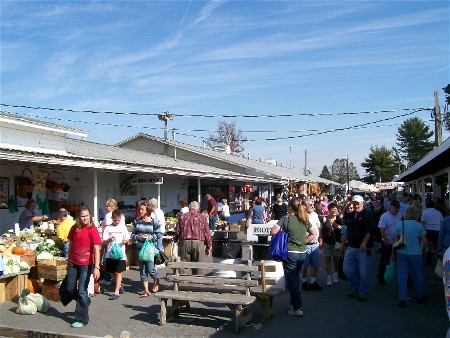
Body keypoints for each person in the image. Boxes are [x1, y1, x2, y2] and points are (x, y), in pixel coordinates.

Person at [270, 198, 316, 317]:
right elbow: (314, 233)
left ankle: (297, 307)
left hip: (290, 252)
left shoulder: (286, 218)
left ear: (289, 207)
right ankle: (293, 303)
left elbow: (273, 231)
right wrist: (304, 242)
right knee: (296, 278)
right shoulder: (304, 219)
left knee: (292, 281)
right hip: (302, 252)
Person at [65, 206, 102, 328]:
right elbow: (71, 245)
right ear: (78, 217)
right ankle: (85, 301)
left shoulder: (92, 230)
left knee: (82, 291)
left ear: (89, 216)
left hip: (86, 265)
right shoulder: (74, 228)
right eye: (82, 216)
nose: (85, 218)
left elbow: (97, 249)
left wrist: (97, 267)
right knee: (69, 289)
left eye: (87, 215)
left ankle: (81, 319)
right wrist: (68, 261)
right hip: (73, 262)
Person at [340, 195, 376, 302]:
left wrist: (364, 242)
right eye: (354, 204)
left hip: (364, 248)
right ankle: (354, 286)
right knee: (347, 269)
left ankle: (363, 292)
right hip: (351, 246)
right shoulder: (350, 216)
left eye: (357, 204)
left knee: (363, 271)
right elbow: (345, 230)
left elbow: (370, 230)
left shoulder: (368, 215)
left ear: (362, 203)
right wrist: (342, 246)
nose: (355, 206)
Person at [391, 206, 428, 308]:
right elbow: (424, 242)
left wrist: (393, 253)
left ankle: (403, 298)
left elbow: (395, 240)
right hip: (416, 253)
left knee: (402, 275)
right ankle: (419, 296)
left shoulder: (400, 224)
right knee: (418, 276)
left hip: (402, 252)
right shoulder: (419, 226)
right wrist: (424, 250)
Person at [174, 201, 212, 275]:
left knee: (183, 266)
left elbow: (177, 231)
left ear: (189, 207)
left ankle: (182, 283)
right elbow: (207, 233)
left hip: (184, 242)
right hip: (198, 243)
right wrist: (208, 246)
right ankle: (196, 283)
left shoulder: (182, 217)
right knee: (198, 266)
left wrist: (175, 240)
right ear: (198, 209)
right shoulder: (202, 218)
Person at [132, 200, 160, 297]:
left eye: (142, 209)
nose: (140, 211)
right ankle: (146, 290)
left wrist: (152, 237)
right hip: (140, 248)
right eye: (139, 209)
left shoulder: (154, 222)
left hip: (149, 249)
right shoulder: (137, 221)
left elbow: (159, 234)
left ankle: (156, 279)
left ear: (147, 210)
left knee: (150, 268)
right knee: (142, 270)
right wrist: (137, 237)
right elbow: (133, 234)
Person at [102, 209, 130, 300]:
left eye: (118, 220)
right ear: (112, 218)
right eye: (115, 220)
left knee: (118, 272)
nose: (117, 222)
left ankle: (116, 291)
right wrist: (109, 240)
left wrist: (125, 241)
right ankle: (119, 286)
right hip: (110, 253)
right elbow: (104, 241)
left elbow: (127, 239)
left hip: (120, 254)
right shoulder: (108, 228)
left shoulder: (123, 228)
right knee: (112, 272)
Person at [100, 199, 126, 286]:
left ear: (113, 207)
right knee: (116, 266)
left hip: (112, 241)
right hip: (114, 241)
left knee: (110, 260)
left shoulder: (109, 216)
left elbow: (108, 228)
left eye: (109, 206)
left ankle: (108, 279)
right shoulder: (120, 215)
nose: (107, 208)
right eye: (106, 206)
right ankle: (117, 283)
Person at [377, 200, 403, 285]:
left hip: (398, 241)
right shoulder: (384, 216)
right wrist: (386, 240)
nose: (396, 210)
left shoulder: (400, 215)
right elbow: (382, 229)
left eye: (398, 208)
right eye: (395, 208)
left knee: (401, 260)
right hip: (388, 241)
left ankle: (406, 279)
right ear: (390, 207)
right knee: (385, 260)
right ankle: (381, 277)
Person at [301, 198, 323, 291]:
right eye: (310, 205)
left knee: (315, 264)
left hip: (315, 244)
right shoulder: (301, 216)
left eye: (313, 204)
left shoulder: (315, 215)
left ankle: (313, 282)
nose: (313, 206)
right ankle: (304, 282)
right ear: (305, 206)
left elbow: (319, 227)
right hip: (305, 244)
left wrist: (321, 240)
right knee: (304, 266)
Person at [320, 202, 343, 286]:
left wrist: (340, 228)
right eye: (333, 209)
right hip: (327, 243)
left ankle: (335, 274)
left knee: (336, 260)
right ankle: (328, 277)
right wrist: (321, 241)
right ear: (329, 210)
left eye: (336, 209)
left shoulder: (339, 220)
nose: (334, 210)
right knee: (328, 260)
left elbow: (344, 230)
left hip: (336, 243)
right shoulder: (325, 219)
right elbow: (321, 231)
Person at [421, 199, 444, 265]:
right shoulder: (438, 212)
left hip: (428, 230)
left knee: (428, 246)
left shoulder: (425, 212)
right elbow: (442, 221)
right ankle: (438, 261)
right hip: (437, 230)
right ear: (434, 205)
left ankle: (429, 261)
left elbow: (423, 221)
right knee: (437, 245)